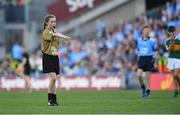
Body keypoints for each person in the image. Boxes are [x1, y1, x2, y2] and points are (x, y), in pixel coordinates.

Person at [42, 14, 71, 106]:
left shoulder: (53, 31)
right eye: (52, 21)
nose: (54, 23)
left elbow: (55, 36)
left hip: (54, 57)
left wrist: (63, 39)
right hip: (48, 57)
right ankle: (50, 100)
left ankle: (53, 100)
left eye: (55, 21)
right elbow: (55, 34)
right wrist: (64, 37)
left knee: (54, 79)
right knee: (53, 78)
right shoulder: (46, 32)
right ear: (47, 23)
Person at [136, 25, 157, 97]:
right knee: (139, 75)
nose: (147, 31)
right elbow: (138, 50)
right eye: (145, 30)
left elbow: (155, 51)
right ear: (142, 31)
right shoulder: (139, 40)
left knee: (148, 76)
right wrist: (138, 57)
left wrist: (155, 59)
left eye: (148, 30)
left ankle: (148, 90)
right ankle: (142, 87)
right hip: (141, 58)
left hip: (149, 58)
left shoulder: (152, 41)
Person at [165, 26, 180, 97]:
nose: (171, 33)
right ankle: (176, 92)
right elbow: (169, 50)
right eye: (170, 32)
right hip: (171, 59)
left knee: (176, 75)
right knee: (173, 77)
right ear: (168, 32)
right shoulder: (167, 41)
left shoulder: (179, 39)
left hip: (178, 59)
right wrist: (171, 42)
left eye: (172, 31)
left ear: (174, 32)